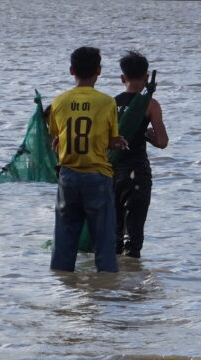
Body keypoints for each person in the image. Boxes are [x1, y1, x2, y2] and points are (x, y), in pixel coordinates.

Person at [48, 47, 127, 273]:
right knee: (103, 242)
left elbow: (56, 135)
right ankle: (106, 287)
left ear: (72, 70)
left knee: (64, 240)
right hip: (97, 175)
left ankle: (61, 286)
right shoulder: (107, 102)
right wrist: (117, 142)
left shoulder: (59, 101)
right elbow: (110, 139)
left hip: (68, 175)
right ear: (99, 71)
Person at [114, 51, 169, 258]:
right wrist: (148, 136)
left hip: (111, 171)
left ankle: (112, 275)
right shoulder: (150, 104)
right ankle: (132, 275)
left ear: (122, 78)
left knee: (114, 234)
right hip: (137, 171)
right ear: (146, 78)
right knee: (133, 237)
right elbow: (162, 142)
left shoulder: (110, 103)